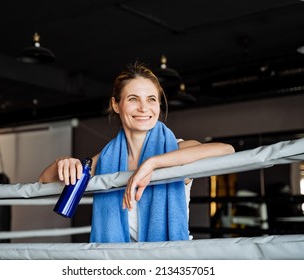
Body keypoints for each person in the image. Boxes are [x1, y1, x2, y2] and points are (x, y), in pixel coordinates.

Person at [39, 61, 235, 243]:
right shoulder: (106, 159)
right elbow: (44, 181)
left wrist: (152, 164)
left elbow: (227, 151)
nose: (144, 108)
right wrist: (63, 163)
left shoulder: (177, 151)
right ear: (116, 104)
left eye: (151, 99)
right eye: (133, 99)